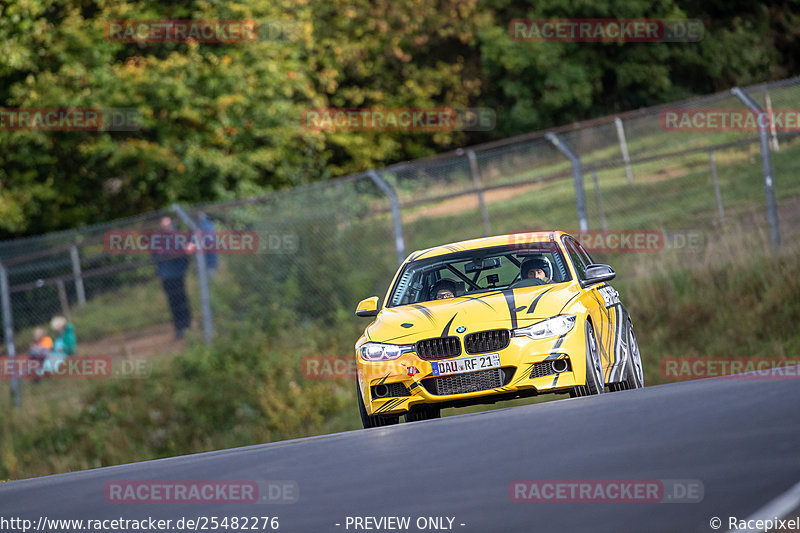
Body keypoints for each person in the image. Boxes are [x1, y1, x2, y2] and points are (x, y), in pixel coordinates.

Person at [154, 216, 191, 339]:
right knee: (173, 303)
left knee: (182, 300)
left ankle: (187, 326)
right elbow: (156, 256)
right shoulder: (159, 240)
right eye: (164, 226)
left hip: (177, 274)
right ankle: (179, 328)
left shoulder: (178, 237)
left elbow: (184, 255)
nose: (166, 228)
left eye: (168, 225)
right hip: (166, 276)